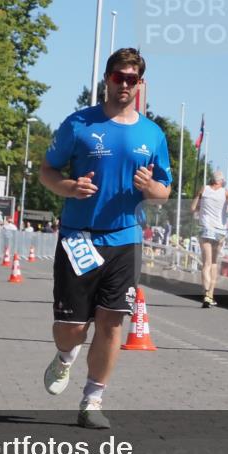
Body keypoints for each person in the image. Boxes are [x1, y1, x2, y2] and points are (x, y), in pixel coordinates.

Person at [39, 48, 172, 429]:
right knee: (72, 328)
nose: (125, 84)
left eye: (132, 79)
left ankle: (92, 400)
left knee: (112, 322)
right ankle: (65, 356)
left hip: (125, 238)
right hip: (78, 237)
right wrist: (67, 186)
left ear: (140, 84)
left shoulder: (153, 133)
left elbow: (164, 189)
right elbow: (47, 171)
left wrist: (151, 188)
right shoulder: (78, 124)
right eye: (119, 77)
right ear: (107, 79)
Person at [190, 170, 228, 308]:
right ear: (221, 181)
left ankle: (206, 294)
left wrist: (202, 209)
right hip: (219, 231)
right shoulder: (226, 192)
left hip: (205, 229)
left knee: (206, 264)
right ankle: (210, 295)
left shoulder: (204, 189)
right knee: (214, 263)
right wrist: (225, 211)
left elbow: (192, 208)